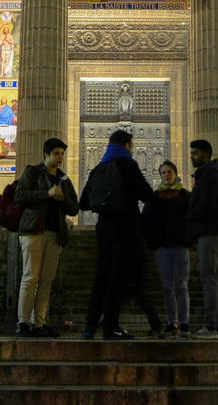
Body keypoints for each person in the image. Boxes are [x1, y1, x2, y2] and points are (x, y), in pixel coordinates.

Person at [78, 129, 156, 339]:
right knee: (117, 277)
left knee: (101, 276)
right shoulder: (128, 165)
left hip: (103, 229)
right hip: (126, 228)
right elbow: (148, 194)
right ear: (128, 145)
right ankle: (110, 326)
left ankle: (90, 326)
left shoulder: (99, 168)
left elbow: (84, 202)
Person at [13, 136, 80, 338]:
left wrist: (61, 199)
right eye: (56, 154)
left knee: (46, 280)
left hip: (54, 233)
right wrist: (47, 194)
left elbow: (74, 208)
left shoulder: (64, 179)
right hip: (33, 231)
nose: (60, 157)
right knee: (30, 277)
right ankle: (23, 322)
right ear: (46, 154)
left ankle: (39, 323)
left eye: (62, 154)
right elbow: (20, 196)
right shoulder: (32, 172)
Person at [186, 138, 218, 338]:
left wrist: (192, 220)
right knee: (214, 278)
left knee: (209, 279)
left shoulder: (208, 175)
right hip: (212, 229)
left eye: (195, 153)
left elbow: (206, 203)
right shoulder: (211, 174)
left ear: (205, 153)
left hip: (208, 230)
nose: (191, 157)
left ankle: (211, 326)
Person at [143, 161, 191, 337]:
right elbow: (146, 221)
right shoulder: (155, 197)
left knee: (181, 285)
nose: (166, 175)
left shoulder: (185, 196)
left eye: (169, 172)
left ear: (175, 174)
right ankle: (173, 322)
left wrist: (187, 239)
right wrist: (153, 243)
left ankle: (184, 322)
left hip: (180, 246)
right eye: (163, 172)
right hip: (162, 248)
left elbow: (191, 219)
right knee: (167, 287)